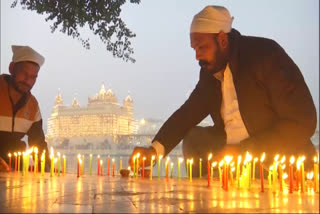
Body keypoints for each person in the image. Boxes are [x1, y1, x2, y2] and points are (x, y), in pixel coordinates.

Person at [129, 5, 317, 175]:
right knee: (194, 138)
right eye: (194, 48)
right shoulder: (209, 74)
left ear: (222, 40)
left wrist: (246, 151)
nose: (197, 56)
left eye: (202, 47)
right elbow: (187, 114)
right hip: (230, 158)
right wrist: (154, 151)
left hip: (274, 160)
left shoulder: (266, 56)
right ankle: (203, 195)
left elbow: (304, 121)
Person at [0, 45, 49, 171]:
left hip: (16, 171)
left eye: (33, 77)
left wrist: (47, 167)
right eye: (24, 73)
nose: (27, 80)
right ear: (12, 68)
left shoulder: (32, 105)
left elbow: (38, 143)